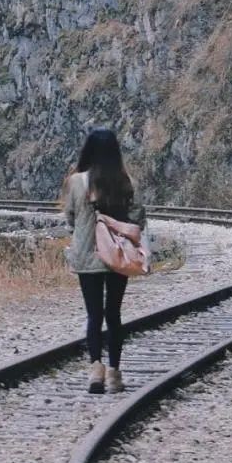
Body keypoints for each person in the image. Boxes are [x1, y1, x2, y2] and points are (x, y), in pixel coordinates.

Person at [62, 128, 146, 394]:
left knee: (94, 315)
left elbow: (70, 219)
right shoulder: (127, 182)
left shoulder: (76, 182)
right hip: (118, 257)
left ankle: (95, 370)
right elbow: (138, 220)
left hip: (87, 256)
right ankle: (114, 373)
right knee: (114, 314)